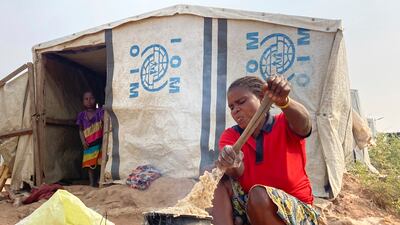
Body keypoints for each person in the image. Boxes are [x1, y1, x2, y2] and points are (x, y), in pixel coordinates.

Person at [212, 76, 319, 225]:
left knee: (258, 194)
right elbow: (237, 171)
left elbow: (305, 125)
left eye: (241, 102)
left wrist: (285, 102)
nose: (235, 110)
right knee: (215, 179)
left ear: (262, 98)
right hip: (254, 206)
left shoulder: (284, 123)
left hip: (295, 210)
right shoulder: (231, 135)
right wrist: (230, 161)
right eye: (231, 107)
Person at [76, 91, 104, 187]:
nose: (89, 101)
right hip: (89, 144)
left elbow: (105, 121)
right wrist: (83, 141)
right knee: (90, 165)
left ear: (95, 99)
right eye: (86, 99)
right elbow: (80, 130)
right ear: (83, 102)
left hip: (100, 142)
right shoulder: (81, 115)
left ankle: (100, 181)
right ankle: (92, 183)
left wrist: (104, 110)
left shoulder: (100, 112)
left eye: (91, 98)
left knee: (100, 163)